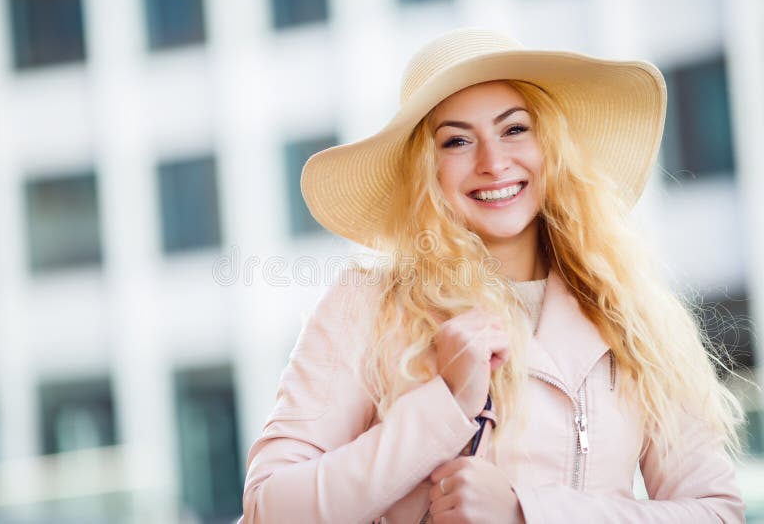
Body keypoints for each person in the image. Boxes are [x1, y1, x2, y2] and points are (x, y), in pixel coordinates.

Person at [239, 28, 746, 523]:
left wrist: (528, 513)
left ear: (550, 145)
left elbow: (717, 512)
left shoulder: (627, 309)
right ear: (426, 169)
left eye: (514, 129)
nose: (493, 162)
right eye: (457, 141)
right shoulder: (368, 304)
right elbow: (269, 508)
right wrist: (443, 406)